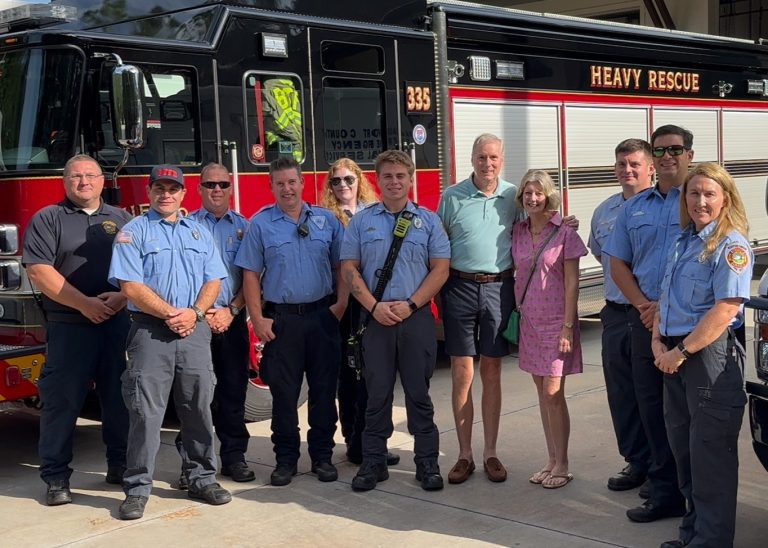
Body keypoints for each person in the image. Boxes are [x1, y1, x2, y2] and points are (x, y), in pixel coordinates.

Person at [108, 164, 231, 520]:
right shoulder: (133, 233)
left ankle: (201, 477)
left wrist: (193, 312)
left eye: (173, 188)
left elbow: (214, 280)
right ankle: (137, 488)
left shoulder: (199, 232)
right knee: (145, 413)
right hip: (150, 332)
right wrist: (169, 313)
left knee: (198, 408)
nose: (166, 194)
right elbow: (130, 286)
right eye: (159, 188)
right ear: (149, 192)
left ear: (183, 194)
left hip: (194, 329)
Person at [22, 154, 131, 506]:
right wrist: (84, 303)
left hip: (116, 323)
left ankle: (121, 465)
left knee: (120, 399)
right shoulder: (48, 218)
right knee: (62, 402)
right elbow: (39, 271)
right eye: (76, 176)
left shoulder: (123, 218)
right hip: (70, 327)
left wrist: (121, 297)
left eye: (90, 175)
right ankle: (55, 478)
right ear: (65, 181)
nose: (84, 182)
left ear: (103, 180)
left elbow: (141, 267)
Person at [652, 163, 751, 548]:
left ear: (725, 198)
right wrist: (657, 343)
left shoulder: (731, 245)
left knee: (711, 459)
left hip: (708, 359)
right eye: (693, 193)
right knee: (685, 453)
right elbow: (666, 296)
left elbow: (725, 309)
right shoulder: (683, 241)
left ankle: (710, 541)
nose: (700, 201)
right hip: (673, 355)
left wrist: (679, 351)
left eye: (710, 193)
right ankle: (692, 533)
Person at [341, 150, 450, 492]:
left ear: (410, 179)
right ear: (377, 179)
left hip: (415, 318)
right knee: (377, 395)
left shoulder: (429, 221)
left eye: (401, 176)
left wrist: (412, 304)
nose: (394, 182)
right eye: (387, 176)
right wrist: (374, 307)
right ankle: (374, 463)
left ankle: (427, 463)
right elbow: (348, 268)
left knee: (419, 395)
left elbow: (441, 269)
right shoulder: (362, 221)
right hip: (375, 319)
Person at [235, 156, 346, 487]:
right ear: (271, 187)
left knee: (324, 393)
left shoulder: (327, 221)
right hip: (283, 322)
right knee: (284, 396)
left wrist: (339, 306)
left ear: (302, 183)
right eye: (280, 183)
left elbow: (343, 266)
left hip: (322, 317)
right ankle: (285, 460)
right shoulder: (261, 225)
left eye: (292, 181)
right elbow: (251, 275)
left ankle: (323, 457)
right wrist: (257, 318)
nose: (287, 188)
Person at [603, 124, 691, 522]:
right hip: (645, 325)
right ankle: (664, 492)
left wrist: (667, 307)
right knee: (652, 409)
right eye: (661, 150)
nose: (668, 156)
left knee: (693, 414)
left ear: (689, 153)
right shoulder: (634, 208)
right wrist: (642, 305)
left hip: (692, 327)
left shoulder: (702, 197)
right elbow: (617, 261)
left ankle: (698, 495)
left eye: (675, 149)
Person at [436, 133, 520, 484]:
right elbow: (437, 243)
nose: (488, 164)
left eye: (494, 158)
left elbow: (539, 223)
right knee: (461, 372)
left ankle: (491, 453)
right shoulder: (452, 197)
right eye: (481, 157)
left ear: (503, 159)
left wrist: (566, 224)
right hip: (459, 287)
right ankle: (464, 454)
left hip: (500, 288)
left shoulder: (513, 195)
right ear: (471, 159)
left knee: (492, 371)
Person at [174, 163, 254, 487]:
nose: (217, 190)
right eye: (210, 185)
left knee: (233, 391)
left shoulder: (245, 228)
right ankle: (190, 463)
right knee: (193, 395)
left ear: (231, 188)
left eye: (222, 184)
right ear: (199, 188)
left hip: (231, 320)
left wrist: (232, 310)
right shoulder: (184, 227)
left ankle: (234, 458)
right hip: (197, 321)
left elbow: (252, 277)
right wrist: (200, 312)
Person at [319, 158, 399, 467]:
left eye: (349, 180)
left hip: (375, 301)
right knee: (349, 375)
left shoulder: (375, 212)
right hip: (345, 306)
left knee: (377, 374)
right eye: (336, 181)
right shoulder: (325, 218)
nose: (343, 186)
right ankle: (354, 441)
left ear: (359, 181)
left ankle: (376, 439)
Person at [511, 170, 586, 489]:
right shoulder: (518, 230)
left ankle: (564, 464)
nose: (532, 198)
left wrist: (568, 327)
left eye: (538, 193)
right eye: (527, 193)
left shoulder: (564, 232)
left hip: (557, 322)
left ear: (548, 195)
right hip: (529, 322)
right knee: (542, 395)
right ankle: (551, 459)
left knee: (554, 394)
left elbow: (572, 282)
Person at [587, 139, 653, 494]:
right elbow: (604, 256)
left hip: (648, 315)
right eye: (622, 165)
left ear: (649, 168)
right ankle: (635, 461)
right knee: (622, 393)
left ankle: (660, 466)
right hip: (614, 313)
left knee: (651, 393)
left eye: (634, 164)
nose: (628, 171)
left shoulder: (665, 207)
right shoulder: (605, 210)